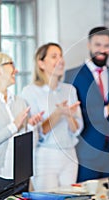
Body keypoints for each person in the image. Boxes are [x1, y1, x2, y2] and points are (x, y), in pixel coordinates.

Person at [0, 52, 43, 199]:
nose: (16, 70)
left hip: (20, 178)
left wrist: (31, 127)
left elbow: (29, 143)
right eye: (11, 64)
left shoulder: (20, 102)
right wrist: (13, 127)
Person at [64, 26, 109, 182]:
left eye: (106, 46)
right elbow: (74, 114)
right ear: (89, 45)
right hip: (85, 152)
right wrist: (106, 110)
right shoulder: (72, 76)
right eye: (98, 45)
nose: (102, 50)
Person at [21, 43, 84, 190]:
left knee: (69, 198)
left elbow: (76, 130)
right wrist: (58, 113)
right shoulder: (30, 92)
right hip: (45, 157)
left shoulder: (70, 90)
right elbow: (37, 132)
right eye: (54, 56)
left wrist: (68, 116)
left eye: (61, 56)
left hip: (69, 155)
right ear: (41, 63)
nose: (60, 60)